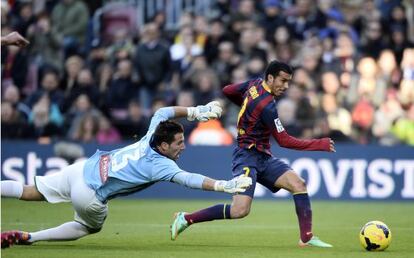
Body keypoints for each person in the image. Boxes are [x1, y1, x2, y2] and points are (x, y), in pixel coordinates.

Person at [1, 101, 252, 249]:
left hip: (81, 169)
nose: (183, 146)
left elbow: (162, 112)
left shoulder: (152, 134)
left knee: (29, 190)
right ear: (164, 147)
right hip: (90, 193)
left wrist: (195, 112)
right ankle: (31, 237)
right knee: (87, 227)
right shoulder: (161, 165)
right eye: (178, 143)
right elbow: (190, 179)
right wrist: (223, 186)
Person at [170, 60, 335, 247]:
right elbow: (284, 140)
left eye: (288, 81)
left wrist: (248, 108)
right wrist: (318, 144)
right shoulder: (267, 106)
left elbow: (228, 90)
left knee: (298, 183)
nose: (286, 86)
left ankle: (306, 237)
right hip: (247, 157)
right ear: (270, 78)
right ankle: (186, 218)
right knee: (240, 210)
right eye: (283, 81)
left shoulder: (254, 84)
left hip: (263, 156)